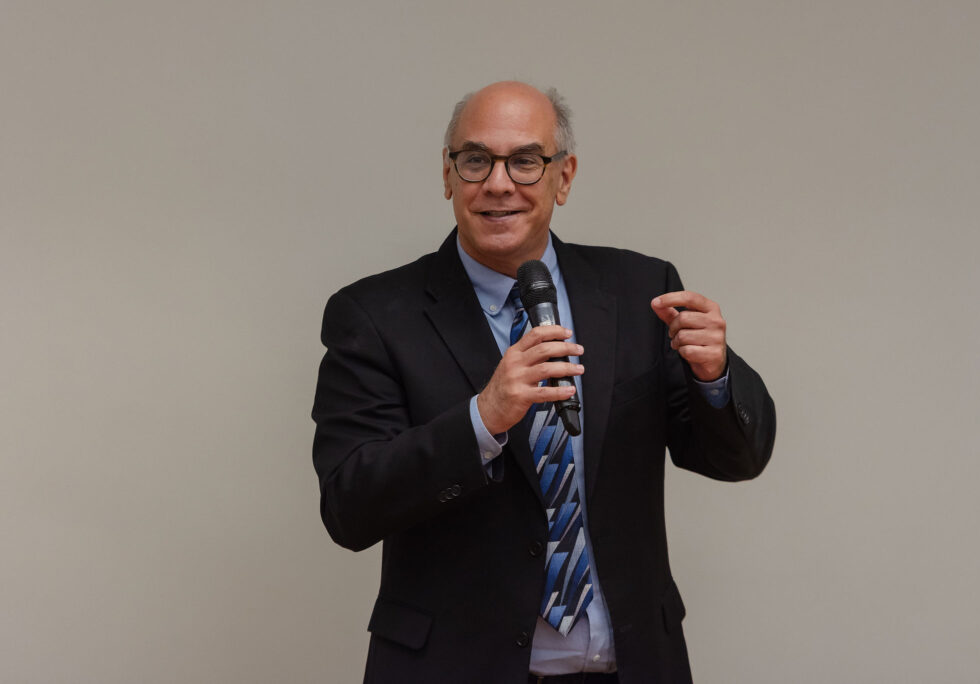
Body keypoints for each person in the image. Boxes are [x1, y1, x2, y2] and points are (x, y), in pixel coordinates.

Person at [312, 81, 775, 684]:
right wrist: (482, 420)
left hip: (633, 668)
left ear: (564, 176)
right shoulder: (374, 315)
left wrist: (715, 377)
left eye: (525, 161)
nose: (498, 183)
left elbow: (735, 458)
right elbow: (348, 507)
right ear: (448, 175)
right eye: (476, 159)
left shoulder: (640, 291)